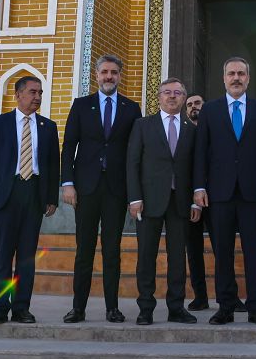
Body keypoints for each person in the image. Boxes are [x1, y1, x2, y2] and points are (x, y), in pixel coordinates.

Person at [193, 56, 256, 325]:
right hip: (219, 193)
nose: (236, 78)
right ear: (224, 78)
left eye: (241, 73)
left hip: (253, 192)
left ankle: (255, 306)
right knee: (223, 252)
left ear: (248, 78)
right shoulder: (211, 110)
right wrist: (199, 187)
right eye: (231, 73)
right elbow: (201, 153)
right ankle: (226, 306)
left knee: (253, 251)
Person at [61, 54, 141, 324]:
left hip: (116, 190)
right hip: (86, 188)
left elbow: (134, 154)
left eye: (114, 72)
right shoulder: (82, 105)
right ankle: (78, 308)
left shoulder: (132, 108)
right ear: (96, 75)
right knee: (84, 250)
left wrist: (134, 194)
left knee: (112, 250)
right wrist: (68, 183)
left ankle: (112, 308)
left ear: (120, 76)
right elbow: (69, 146)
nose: (109, 76)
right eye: (105, 72)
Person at [0, 76, 59, 324]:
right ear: (18, 94)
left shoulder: (48, 126)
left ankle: (22, 307)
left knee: (26, 257)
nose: (37, 97)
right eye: (32, 92)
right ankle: (0, 307)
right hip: (6, 195)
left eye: (40, 93)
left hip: (34, 194)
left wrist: (51, 198)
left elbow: (53, 165)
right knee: (3, 255)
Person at [127, 78, 200, 325]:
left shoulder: (191, 130)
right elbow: (133, 163)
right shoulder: (142, 125)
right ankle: (145, 307)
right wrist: (135, 198)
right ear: (158, 97)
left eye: (177, 93)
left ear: (183, 98)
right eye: (167, 92)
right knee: (146, 256)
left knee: (178, 257)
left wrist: (195, 202)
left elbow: (195, 168)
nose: (172, 97)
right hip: (148, 201)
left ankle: (176, 307)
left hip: (180, 202)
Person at [183, 93, 211, 310]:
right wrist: (194, 201)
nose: (194, 107)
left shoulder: (215, 130)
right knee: (193, 250)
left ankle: (229, 296)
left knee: (223, 248)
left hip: (217, 200)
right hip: (191, 202)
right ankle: (200, 296)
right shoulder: (183, 133)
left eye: (197, 103)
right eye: (190, 105)